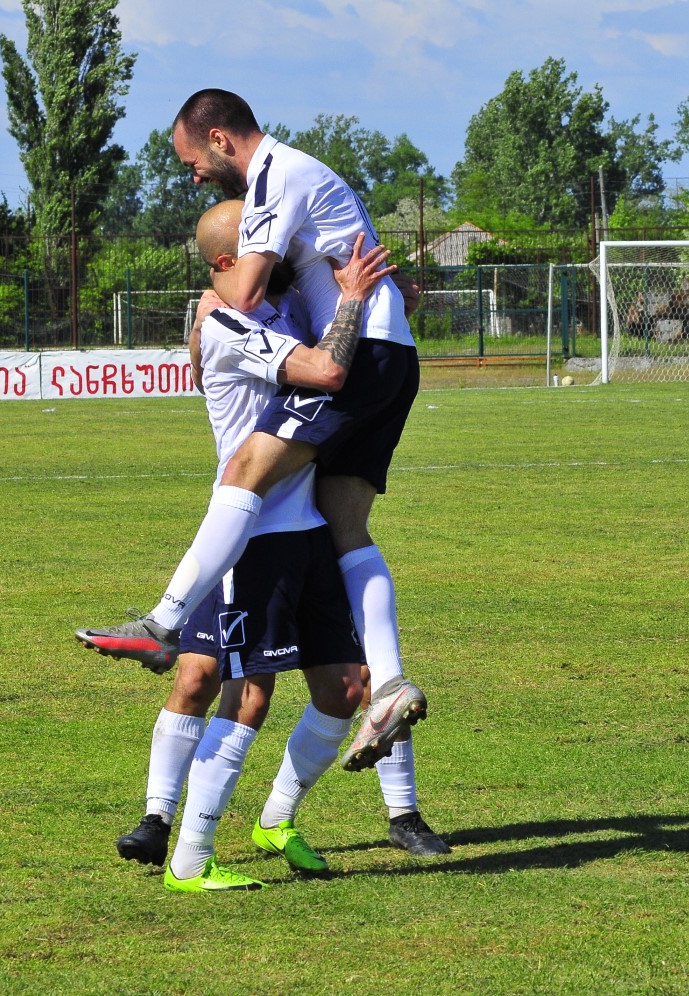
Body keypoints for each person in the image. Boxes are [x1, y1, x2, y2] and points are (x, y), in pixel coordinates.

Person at [77, 88, 424, 772]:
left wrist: (213, 299)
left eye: (192, 162)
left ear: (220, 138)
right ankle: (388, 685)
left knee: (242, 471)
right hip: (393, 354)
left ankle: (163, 624)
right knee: (347, 525)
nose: (194, 176)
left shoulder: (274, 174)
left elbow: (244, 293)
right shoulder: (300, 171)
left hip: (361, 357)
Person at [118, 201, 447, 892]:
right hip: (255, 539)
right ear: (230, 261)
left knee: (347, 687)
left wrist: (384, 305)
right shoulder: (224, 320)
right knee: (238, 693)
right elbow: (326, 371)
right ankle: (187, 852)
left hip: (309, 535)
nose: (280, 241)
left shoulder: (283, 304)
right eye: (260, 239)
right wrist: (353, 303)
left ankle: (275, 817)